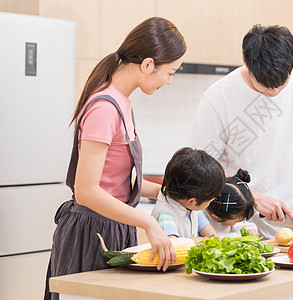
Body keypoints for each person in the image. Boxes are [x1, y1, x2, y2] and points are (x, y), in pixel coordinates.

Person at [45, 17, 186, 300]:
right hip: (91, 232)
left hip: (113, 227)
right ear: (147, 65)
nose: (169, 81)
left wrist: (163, 192)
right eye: (170, 73)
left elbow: (116, 177)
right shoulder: (105, 108)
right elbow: (86, 191)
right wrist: (148, 223)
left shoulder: (123, 102)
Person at [187, 24, 293, 239]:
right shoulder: (219, 97)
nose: (273, 91)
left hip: (289, 230)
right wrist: (253, 197)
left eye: (281, 83)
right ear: (245, 62)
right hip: (230, 229)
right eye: (264, 85)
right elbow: (201, 166)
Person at [151, 147, 225, 239]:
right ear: (191, 201)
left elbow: (212, 236)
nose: (210, 204)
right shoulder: (165, 213)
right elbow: (173, 244)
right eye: (209, 201)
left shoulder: (192, 208)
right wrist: (200, 241)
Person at [204, 169, 259, 238]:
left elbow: (243, 224)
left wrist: (250, 228)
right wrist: (240, 235)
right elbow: (217, 239)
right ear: (216, 217)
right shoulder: (203, 219)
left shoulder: (231, 212)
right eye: (237, 221)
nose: (239, 222)